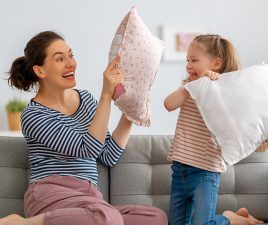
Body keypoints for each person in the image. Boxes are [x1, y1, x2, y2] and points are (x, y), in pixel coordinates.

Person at [0, 31, 168, 225]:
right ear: (40, 71)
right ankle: (22, 223)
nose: (71, 63)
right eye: (60, 59)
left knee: (155, 218)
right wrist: (106, 95)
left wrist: (131, 110)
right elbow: (87, 148)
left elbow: (108, 155)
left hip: (90, 198)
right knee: (108, 218)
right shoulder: (33, 115)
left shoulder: (86, 100)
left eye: (71, 55)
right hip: (52, 194)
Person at [164, 34, 268, 225]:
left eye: (194, 60)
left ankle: (235, 219)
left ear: (216, 63)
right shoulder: (189, 87)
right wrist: (194, 85)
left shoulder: (226, 93)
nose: (188, 65)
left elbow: (240, 130)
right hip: (180, 171)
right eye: (187, 60)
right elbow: (168, 104)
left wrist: (259, 144)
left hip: (205, 173)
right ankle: (231, 216)